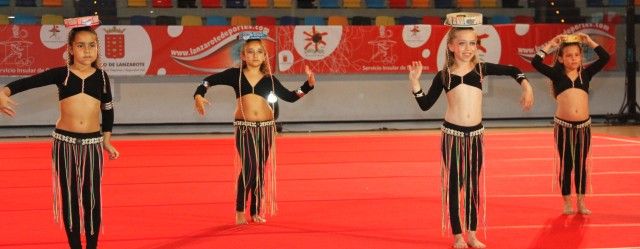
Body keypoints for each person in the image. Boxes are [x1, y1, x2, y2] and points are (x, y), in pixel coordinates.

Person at [408, 13, 534, 249]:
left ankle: (472, 234)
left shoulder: (481, 69)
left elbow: (513, 69)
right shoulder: (443, 76)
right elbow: (425, 105)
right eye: (462, 43)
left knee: (473, 185)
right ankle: (457, 236)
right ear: (452, 46)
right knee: (456, 185)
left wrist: (526, 85)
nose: (468, 48)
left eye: (472, 43)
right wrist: (415, 85)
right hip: (452, 137)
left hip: (475, 136)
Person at [0, 17, 119, 249]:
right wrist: (3, 92)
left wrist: (107, 140)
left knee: (91, 199)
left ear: (98, 48)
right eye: (81, 45)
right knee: (71, 198)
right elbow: (26, 83)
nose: (87, 51)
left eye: (92, 45)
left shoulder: (102, 77)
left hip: (93, 144)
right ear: (70, 49)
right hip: (65, 144)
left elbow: (108, 109)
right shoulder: (61, 74)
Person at [193, 32, 316, 225]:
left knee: (259, 170)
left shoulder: (270, 79)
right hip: (244, 128)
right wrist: (198, 95)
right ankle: (240, 210)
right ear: (243, 55)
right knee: (249, 168)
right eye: (250, 52)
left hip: (266, 129)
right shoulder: (235, 75)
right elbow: (207, 81)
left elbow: (291, 96)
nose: (255, 56)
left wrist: (307, 86)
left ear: (264, 56)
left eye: (259, 52)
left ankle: (255, 210)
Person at [531, 33, 609, 215]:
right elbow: (535, 63)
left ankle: (581, 201)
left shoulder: (586, 74)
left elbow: (605, 57)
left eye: (577, 55)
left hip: (584, 127)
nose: (573, 58)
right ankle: (567, 202)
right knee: (567, 165)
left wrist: (589, 42)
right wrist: (550, 44)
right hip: (563, 128)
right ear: (560, 58)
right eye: (568, 55)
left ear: (581, 57)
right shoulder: (556, 75)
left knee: (581, 164)